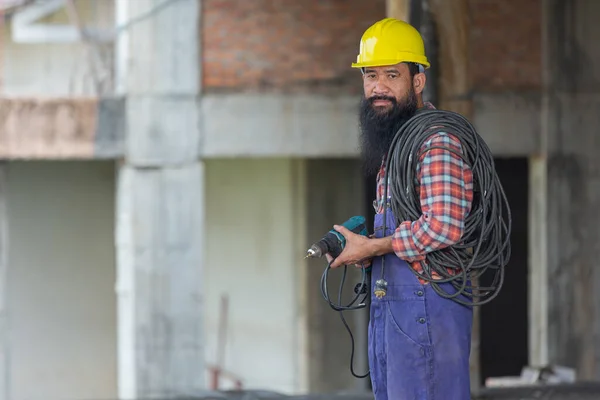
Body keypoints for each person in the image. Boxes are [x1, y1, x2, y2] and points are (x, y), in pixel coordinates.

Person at [327, 18, 474, 400]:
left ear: (418, 81)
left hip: (426, 311)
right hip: (393, 308)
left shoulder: (436, 142)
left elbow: (443, 226)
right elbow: (406, 232)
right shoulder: (394, 149)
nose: (378, 88)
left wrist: (375, 247)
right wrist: (366, 248)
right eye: (370, 75)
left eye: (392, 75)